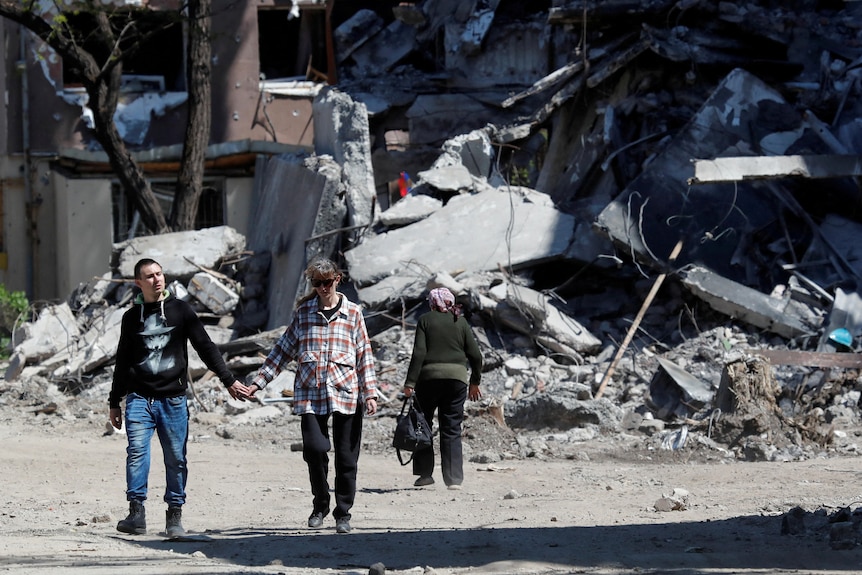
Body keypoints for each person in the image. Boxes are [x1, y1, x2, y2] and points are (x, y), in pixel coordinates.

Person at [109, 258, 252, 537]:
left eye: (159, 274)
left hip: (173, 400)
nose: (157, 279)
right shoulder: (131, 317)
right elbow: (122, 360)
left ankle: (174, 516)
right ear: (139, 283)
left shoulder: (181, 311)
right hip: (139, 398)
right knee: (137, 453)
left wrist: (229, 380)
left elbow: (206, 347)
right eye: (149, 276)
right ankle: (136, 513)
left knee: (176, 458)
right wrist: (115, 401)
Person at [246, 257, 379, 534]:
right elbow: (282, 350)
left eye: (326, 282)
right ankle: (320, 504)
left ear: (337, 279)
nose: (321, 288)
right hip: (310, 393)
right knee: (315, 450)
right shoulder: (303, 312)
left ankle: (343, 513)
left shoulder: (354, 313)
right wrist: (259, 382)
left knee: (346, 458)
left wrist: (370, 393)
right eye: (316, 283)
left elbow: (364, 355)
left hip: (346, 392)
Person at [403, 287, 483, 490]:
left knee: (423, 425)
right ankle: (454, 479)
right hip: (456, 381)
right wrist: (475, 382)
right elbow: (476, 355)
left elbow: (419, 352)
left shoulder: (425, 320)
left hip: (428, 380)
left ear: (432, 303)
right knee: (451, 429)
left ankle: (424, 475)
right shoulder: (461, 321)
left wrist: (410, 383)